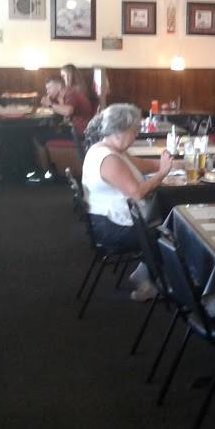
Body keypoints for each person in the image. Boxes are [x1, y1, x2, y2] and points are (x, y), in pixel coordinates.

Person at [81, 104, 173, 300]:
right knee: (174, 230)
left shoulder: (109, 149)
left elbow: (142, 165)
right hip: (113, 229)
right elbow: (136, 193)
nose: (137, 135)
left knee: (169, 216)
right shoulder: (108, 159)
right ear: (119, 131)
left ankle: (146, 274)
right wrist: (162, 174)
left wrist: (175, 164)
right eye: (134, 130)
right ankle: (169, 284)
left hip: (113, 220)